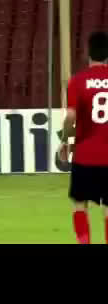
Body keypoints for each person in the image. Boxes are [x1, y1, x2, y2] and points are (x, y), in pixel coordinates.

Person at [59, 30, 108, 244]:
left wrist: (65, 140)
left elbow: (71, 116)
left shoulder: (78, 81)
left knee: (80, 205)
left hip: (85, 156)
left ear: (89, 53)